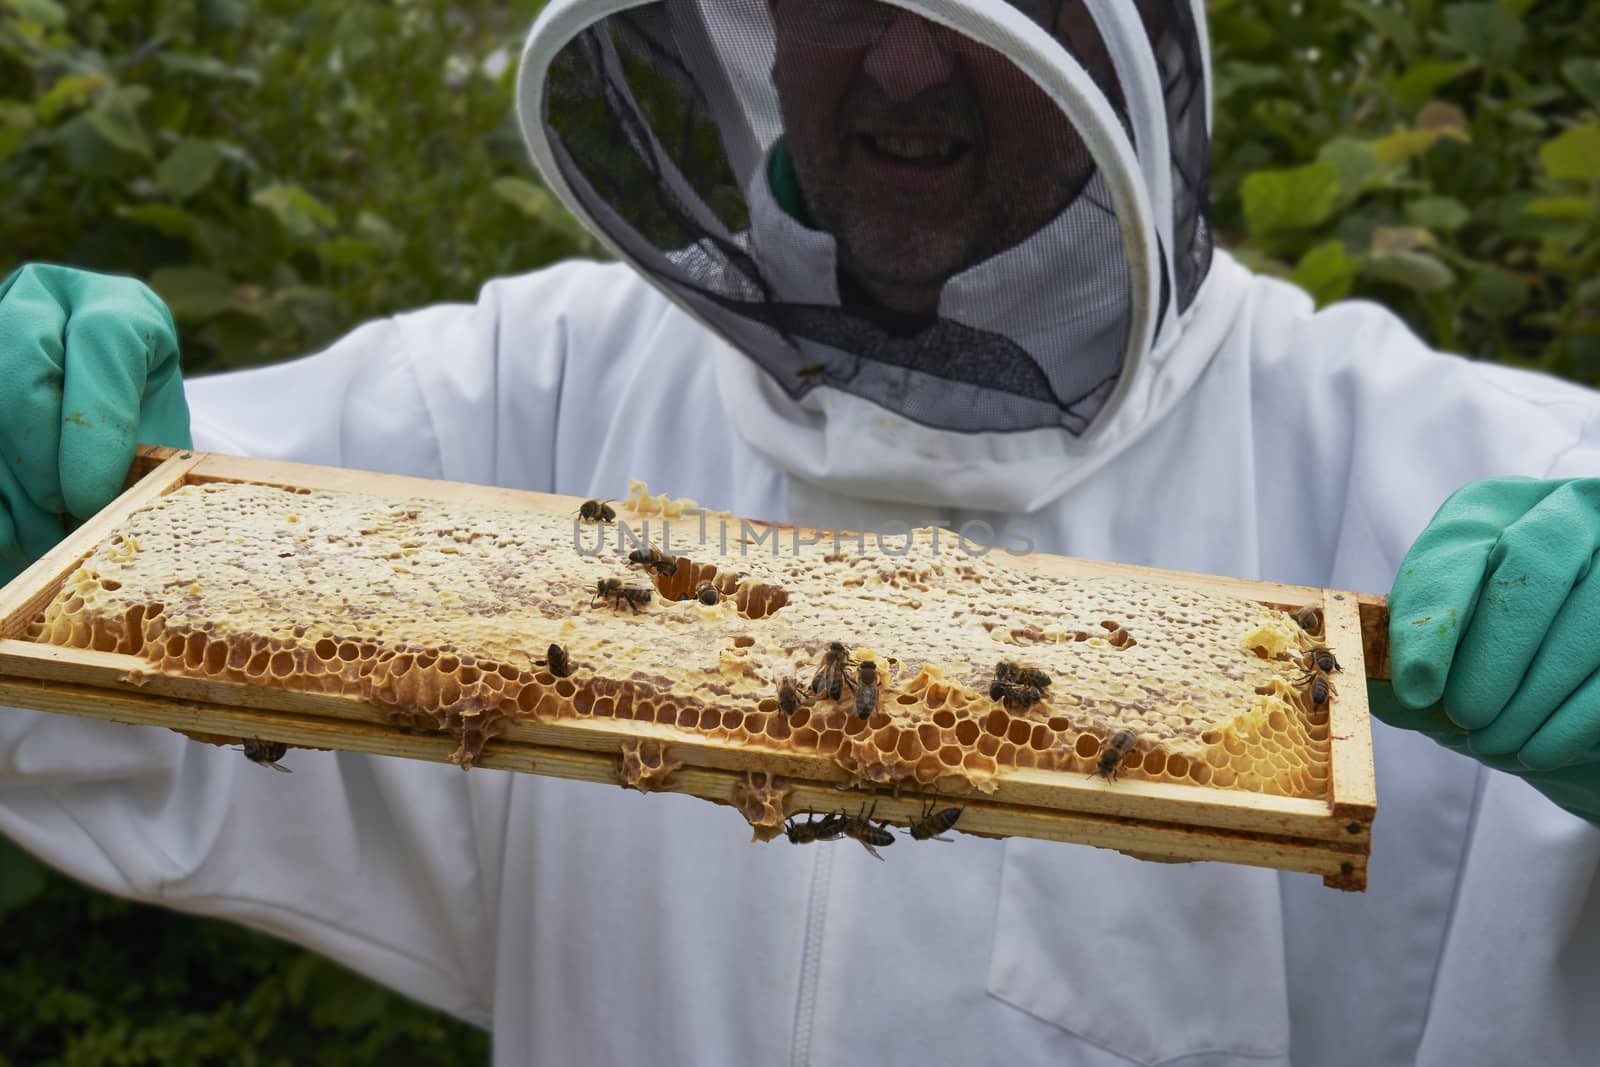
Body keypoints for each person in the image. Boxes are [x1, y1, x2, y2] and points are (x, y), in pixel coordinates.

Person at [3, 1, 1598, 1063]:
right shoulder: (527, 393)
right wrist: (39, 512)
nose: (904, 64)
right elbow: (132, 621)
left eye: (987, 3)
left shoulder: (1446, 485)